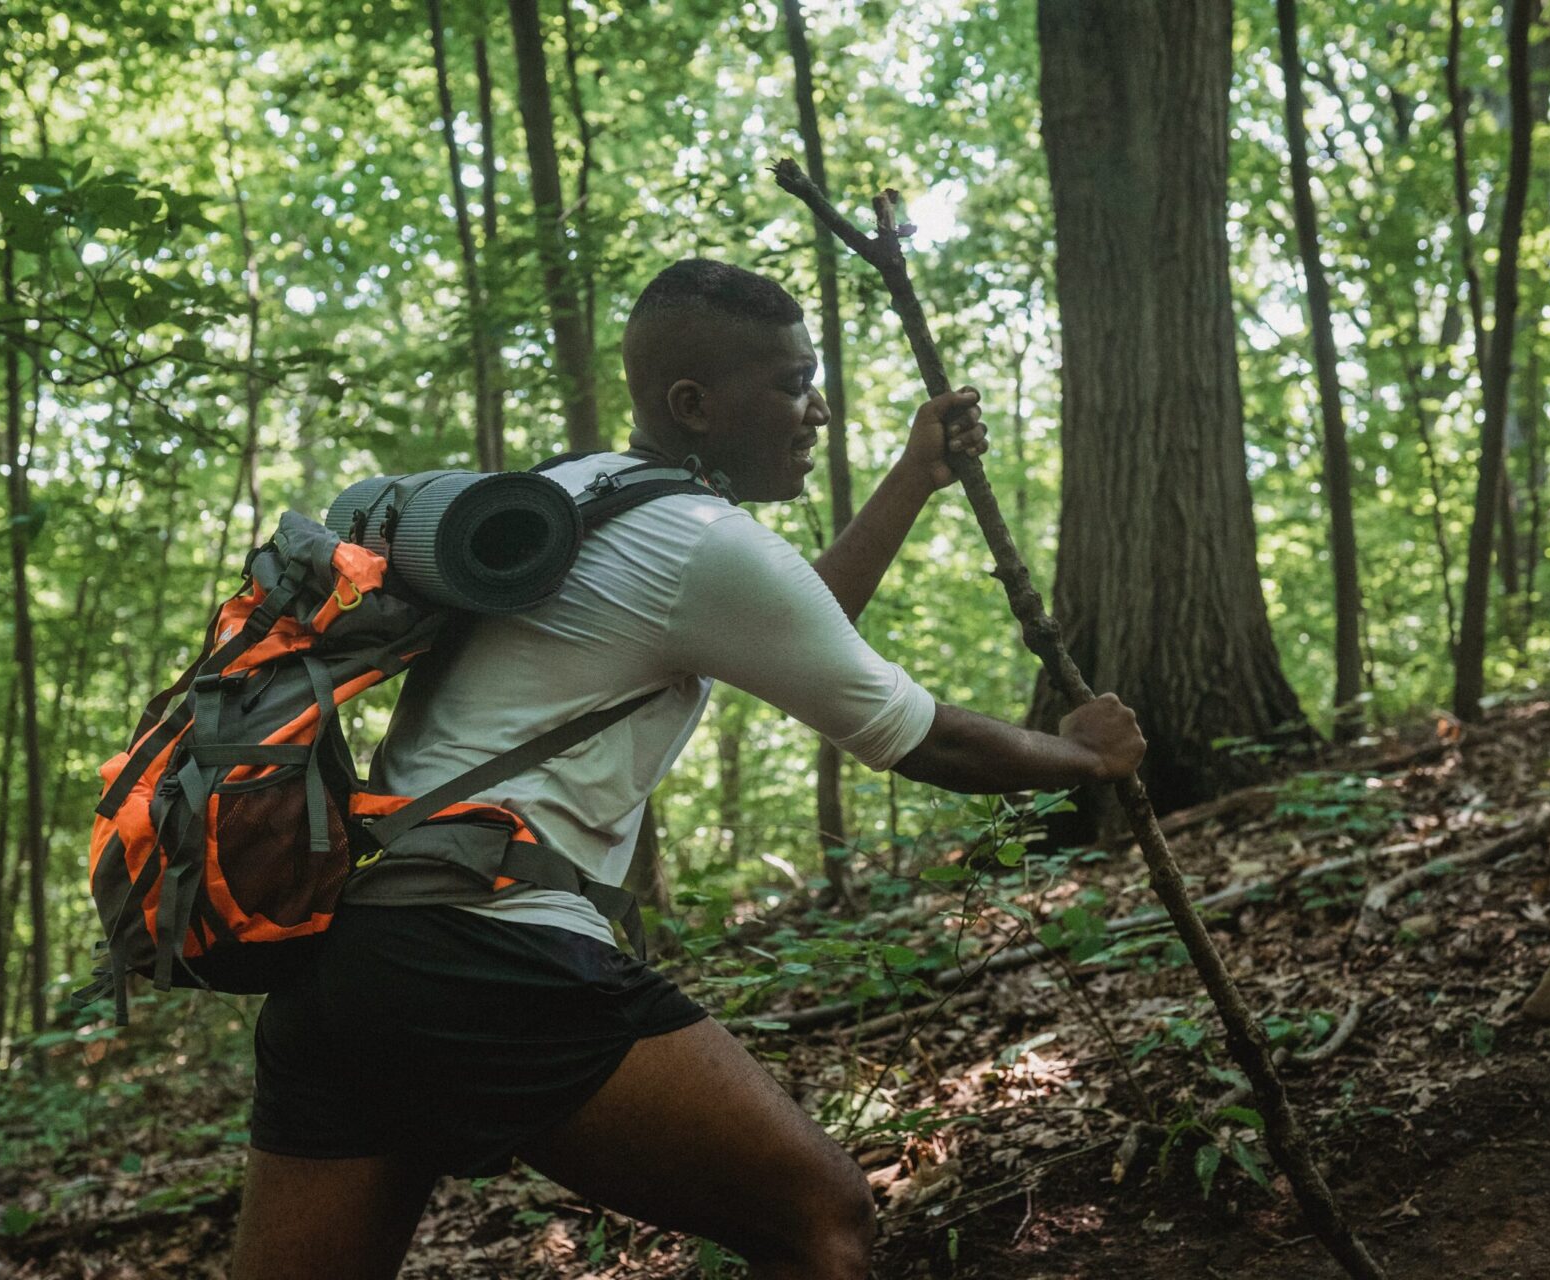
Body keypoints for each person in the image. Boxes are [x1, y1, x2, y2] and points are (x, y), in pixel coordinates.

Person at [229, 259, 1146, 1280]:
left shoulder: (578, 493)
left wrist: (914, 474)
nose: (818, 409)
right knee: (822, 1221)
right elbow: (925, 737)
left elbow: (803, 616)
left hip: (353, 963)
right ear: (694, 405)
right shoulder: (699, 539)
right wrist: (1088, 757)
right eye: (792, 383)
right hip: (490, 947)